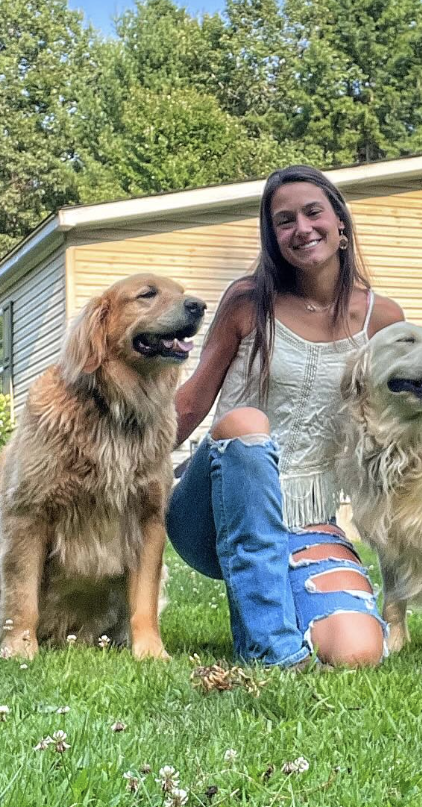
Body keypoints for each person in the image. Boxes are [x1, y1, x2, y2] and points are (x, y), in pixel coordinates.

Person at [167, 165, 405, 668]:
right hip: (213, 510)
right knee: (246, 422)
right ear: (273, 238)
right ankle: (271, 652)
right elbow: (191, 402)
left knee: (356, 651)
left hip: (307, 516)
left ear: (340, 223)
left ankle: (281, 609)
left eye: (313, 212)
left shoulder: (381, 319)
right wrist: (110, 458)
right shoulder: (248, 301)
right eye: (284, 220)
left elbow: (392, 424)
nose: (302, 228)